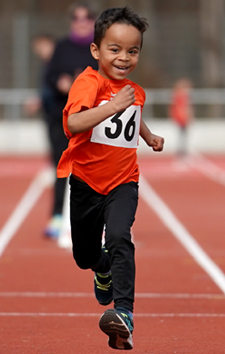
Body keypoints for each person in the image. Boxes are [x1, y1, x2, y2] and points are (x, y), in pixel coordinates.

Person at [57, 7, 164, 350]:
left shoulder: (135, 92)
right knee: (84, 257)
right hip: (87, 183)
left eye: (132, 51)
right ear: (96, 50)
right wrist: (113, 105)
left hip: (123, 182)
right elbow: (73, 124)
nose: (124, 57)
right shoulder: (88, 83)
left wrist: (148, 137)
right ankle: (100, 268)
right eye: (115, 49)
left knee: (120, 236)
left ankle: (125, 313)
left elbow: (133, 115)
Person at [44, 2, 98, 238]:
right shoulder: (61, 47)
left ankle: (94, 217)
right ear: (71, 22)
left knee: (93, 168)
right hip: (62, 116)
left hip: (92, 118)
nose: (82, 22)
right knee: (61, 165)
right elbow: (49, 76)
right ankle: (57, 215)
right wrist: (62, 83)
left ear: (93, 20)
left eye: (86, 18)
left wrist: (85, 84)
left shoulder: (101, 47)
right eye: (77, 18)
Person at [169, 78, 194, 155]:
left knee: (183, 136)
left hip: (182, 118)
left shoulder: (180, 95)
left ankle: (183, 151)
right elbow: (182, 108)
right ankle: (181, 152)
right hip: (181, 119)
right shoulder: (179, 96)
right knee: (182, 136)